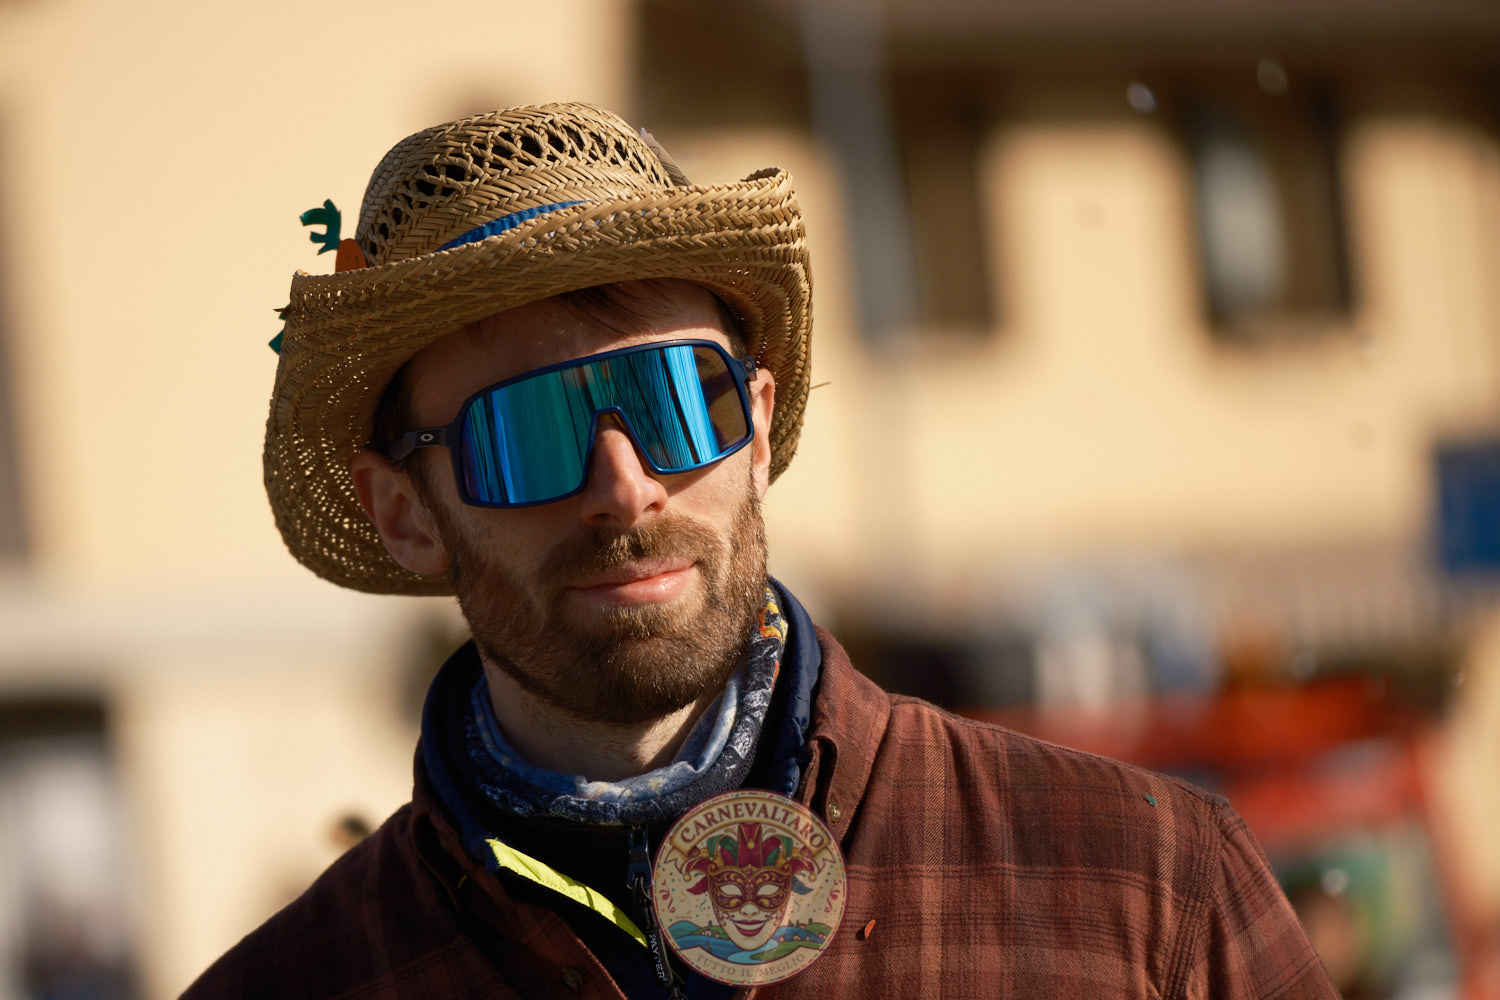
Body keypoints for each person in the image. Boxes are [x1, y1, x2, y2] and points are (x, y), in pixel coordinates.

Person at [184, 102, 1337, 998]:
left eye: (683, 401)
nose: (625, 487)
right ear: (405, 512)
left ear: (760, 426)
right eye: (528, 431)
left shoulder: (1149, 886)